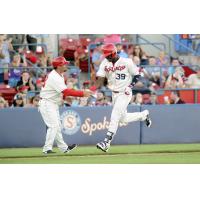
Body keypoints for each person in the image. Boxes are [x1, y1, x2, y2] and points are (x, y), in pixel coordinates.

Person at [92, 43, 152, 152]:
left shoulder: (127, 61)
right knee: (123, 118)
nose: (107, 57)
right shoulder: (105, 62)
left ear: (114, 53)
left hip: (125, 92)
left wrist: (130, 86)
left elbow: (137, 74)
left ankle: (106, 142)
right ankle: (144, 115)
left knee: (115, 115)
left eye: (108, 55)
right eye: (106, 55)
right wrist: (93, 89)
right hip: (114, 94)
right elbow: (100, 78)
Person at [38, 56, 92, 154]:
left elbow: (62, 92)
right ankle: (47, 148)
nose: (66, 65)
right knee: (53, 126)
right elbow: (66, 92)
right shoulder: (54, 76)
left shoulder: (59, 75)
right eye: (64, 64)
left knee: (57, 126)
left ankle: (64, 148)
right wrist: (82, 93)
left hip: (52, 103)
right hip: (47, 103)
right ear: (59, 66)